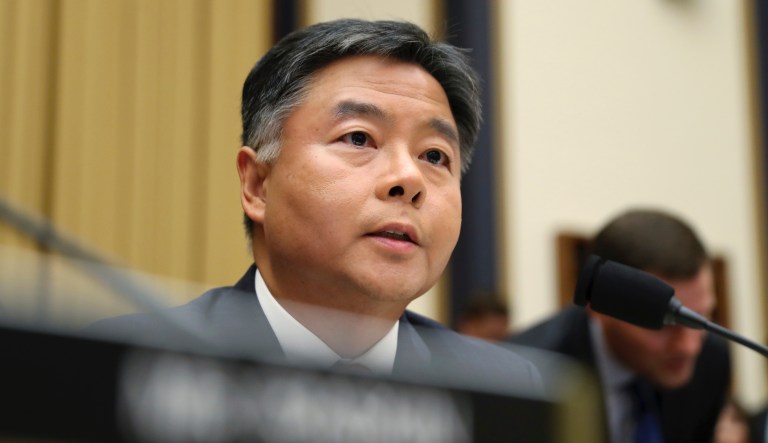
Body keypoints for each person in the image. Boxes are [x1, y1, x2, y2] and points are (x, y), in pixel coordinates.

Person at [88, 18, 540, 391]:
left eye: (434, 156)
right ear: (258, 184)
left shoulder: (502, 390)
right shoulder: (131, 369)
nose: (409, 179)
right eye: (359, 138)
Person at [506, 209, 731, 443]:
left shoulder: (711, 361)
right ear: (597, 308)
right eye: (665, 324)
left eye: (701, 316)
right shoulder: (525, 377)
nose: (689, 347)